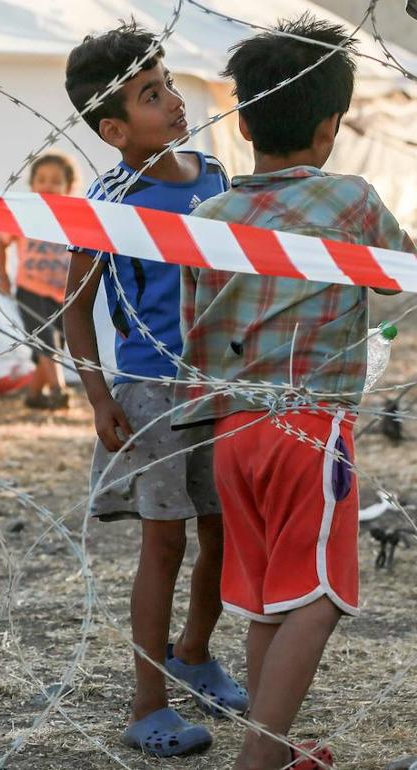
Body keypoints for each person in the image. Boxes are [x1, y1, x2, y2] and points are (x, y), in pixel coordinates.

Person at [175, 17, 415, 770]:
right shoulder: (351, 203)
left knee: (266, 596)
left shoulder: (207, 217)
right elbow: (398, 272)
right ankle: (257, 759)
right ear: (331, 126)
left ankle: (270, 746)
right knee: (318, 596)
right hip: (307, 427)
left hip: (229, 431)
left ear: (241, 119)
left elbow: (195, 326)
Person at [60, 22, 246, 757]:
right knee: (163, 544)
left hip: (221, 385)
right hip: (150, 392)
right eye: (149, 95)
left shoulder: (214, 178)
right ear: (113, 129)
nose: (171, 101)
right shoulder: (110, 200)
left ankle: (195, 652)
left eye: (166, 85)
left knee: (225, 531)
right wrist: (98, 395)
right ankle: (147, 703)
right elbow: (75, 308)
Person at [0, 153, 78, 409]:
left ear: (69, 187)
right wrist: (4, 277)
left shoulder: (74, 218)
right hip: (29, 288)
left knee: (55, 345)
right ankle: (58, 389)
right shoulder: (23, 214)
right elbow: (2, 244)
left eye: (55, 181)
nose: (47, 186)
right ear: (31, 184)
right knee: (45, 340)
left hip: (62, 292)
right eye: (41, 180)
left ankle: (34, 395)